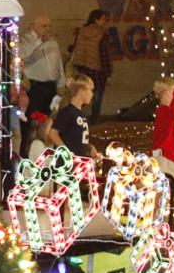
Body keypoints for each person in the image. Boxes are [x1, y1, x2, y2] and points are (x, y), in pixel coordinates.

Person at [20, 16, 65, 155]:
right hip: (35, 88)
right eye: (43, 26)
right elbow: (23, 55)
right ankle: (26, 153)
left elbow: (59, 64)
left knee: (48, 121)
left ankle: (44, 152)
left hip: (50, 87)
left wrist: (61, 82)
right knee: (33, 122)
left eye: (49, 26)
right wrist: (39, 41)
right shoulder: (25, 40)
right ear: (33, 26)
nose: (48, 29)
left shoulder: (53, 42)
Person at [69, 10, 113, 122]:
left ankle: (77, 119)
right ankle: (94, 122)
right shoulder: (102, 34)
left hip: (83, 68)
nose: (105, 22)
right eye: (103, 19)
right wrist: (108, 73)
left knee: (80, 94)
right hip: (97, 70)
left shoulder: (81, 31)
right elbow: (104, 55)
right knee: (97, 98)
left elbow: (75, 48)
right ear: (96, 19)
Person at [50, 74, 101, 160]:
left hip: (79, 161)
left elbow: (78, 138)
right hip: (67, 164)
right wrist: (66, 152)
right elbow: (53, 133)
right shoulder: (67, 112)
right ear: (81, 91)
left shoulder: (83, 115)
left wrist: (89, 147)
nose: (92, 94)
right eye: (90, 90)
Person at [151, 77, 174, 181]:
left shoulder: (164, 112)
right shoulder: (164, 111)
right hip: (165, 160)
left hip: (167, 159)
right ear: (167, 93)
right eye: (173, 93)